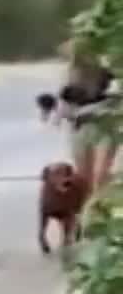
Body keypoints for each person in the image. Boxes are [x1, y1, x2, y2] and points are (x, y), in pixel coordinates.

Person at [58, 51, 120, 197]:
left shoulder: (109, 75)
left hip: (105, 130)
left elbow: (116, 101)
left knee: (99, 176)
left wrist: (91, 110)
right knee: (83, 180)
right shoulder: (70, 78)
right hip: (80, 130)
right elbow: (65, 107)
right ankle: (87, 213)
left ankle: (98, 213)